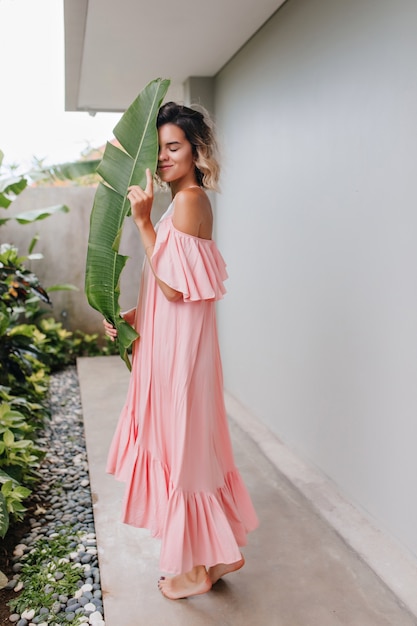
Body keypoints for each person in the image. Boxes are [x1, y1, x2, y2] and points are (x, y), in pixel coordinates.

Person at [103, 101, 258, 600]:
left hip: (183, 356)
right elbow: (170, 287)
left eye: (176, 147)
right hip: (171, 345)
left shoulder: (190, 200)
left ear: (195, 152)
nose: (166, 157)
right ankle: (215, 553)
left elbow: (175, 288)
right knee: (183, 446)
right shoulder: (178, 205)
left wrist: (143, 222)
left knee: (186, 447)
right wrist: (133, 316)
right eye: (161, 148)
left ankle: (197, 567)